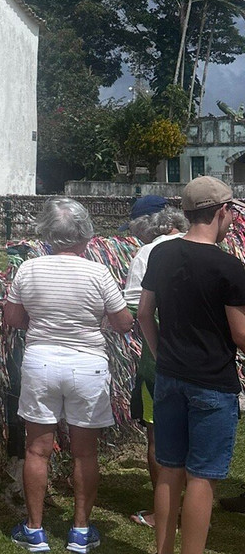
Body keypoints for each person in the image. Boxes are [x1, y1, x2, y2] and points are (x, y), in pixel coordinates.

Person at [5, 197, 134, 553]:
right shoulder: (98, 273)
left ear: (47, 233)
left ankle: (34, 530)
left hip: (41, 361)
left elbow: (13, 319)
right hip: (87, 364)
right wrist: (93, 323)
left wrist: (44, 325)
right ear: (86, 235)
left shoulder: (28, 270)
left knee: (37, 449)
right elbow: (124, 322)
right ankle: (79, 530)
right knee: (84, 453)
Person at [137, 176, 245, 554]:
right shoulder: (229, 268)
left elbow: (145, 313)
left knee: (169, 469)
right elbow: (240, 335)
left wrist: (160, 352)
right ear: (220, 212)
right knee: (203, 477)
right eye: (231, 211)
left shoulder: (161, 254)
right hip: (213, 382)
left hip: (169, 375)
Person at [121, 206, 189, 528]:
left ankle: (163, 510)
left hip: (158, 354)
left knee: (158, 437)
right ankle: (190, 506)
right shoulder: (208, 249)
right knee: (191, 434)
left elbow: (136, 307)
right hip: (199, 358)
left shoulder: (146, 253)